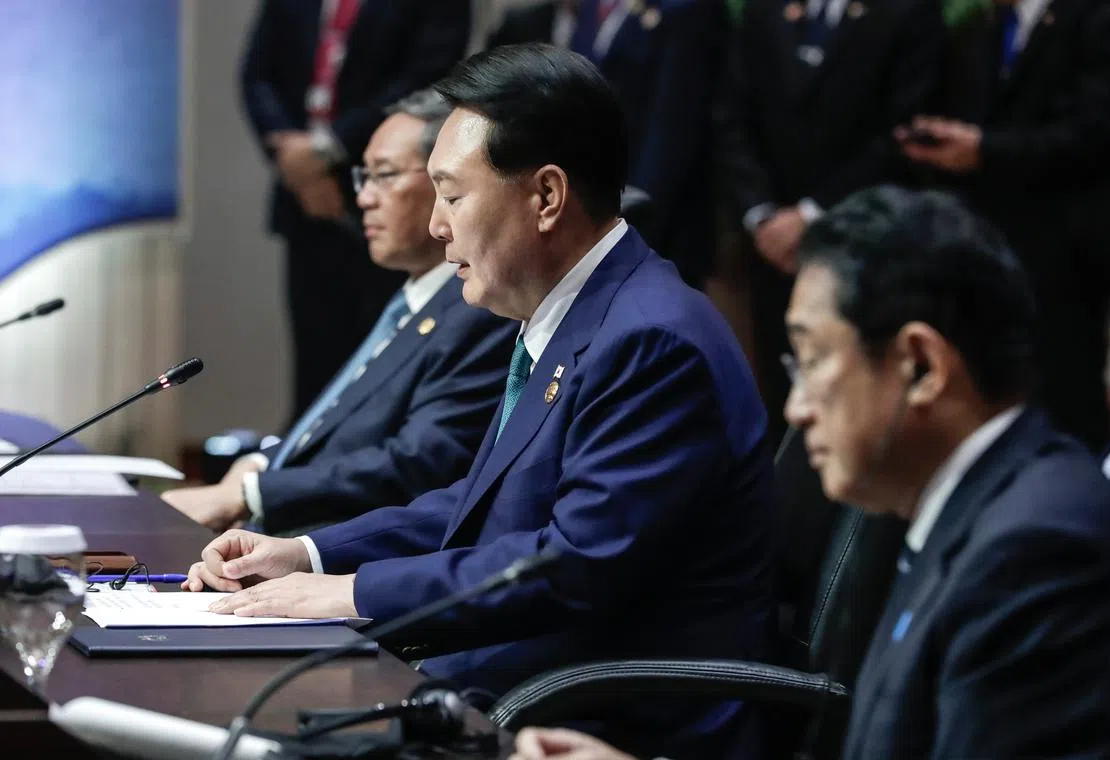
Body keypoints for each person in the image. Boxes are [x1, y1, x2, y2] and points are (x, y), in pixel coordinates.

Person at [183, 43, 777, 760]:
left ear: (547, 197)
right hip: (510, 676)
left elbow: (573, 566)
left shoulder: (650, 339)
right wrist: (308, 555)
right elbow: (482, 506)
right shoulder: (572, 315)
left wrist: (352, 594)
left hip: (597, 720)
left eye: (453, 195)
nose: (438, 226)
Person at [507, 185, 1110, 759]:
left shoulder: (1039, 549)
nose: (797, 408)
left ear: (921, 366)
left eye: (812, 362)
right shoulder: (964, 508)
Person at [163, 91, 516, 537]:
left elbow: (423, 461)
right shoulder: (407, 302)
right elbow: (333, 431)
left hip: (343, 548)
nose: (364, 197)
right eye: (362, 177)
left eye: (384, 175)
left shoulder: (479, 309)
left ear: (443, 182)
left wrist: (253, 493)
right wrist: (258, 465)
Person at [896, 0, 1110, 450]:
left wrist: (985, 150)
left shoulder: (1098, 20)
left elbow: (1095, 135)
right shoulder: (985, 26)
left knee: (1066, 397)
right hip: (990, 245)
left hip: (1066, 253)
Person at [715, 0, 943, 441]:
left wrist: (811, 215)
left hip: (866, 245)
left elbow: (903, 135)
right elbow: (732, 116)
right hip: (771, 247)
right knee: (783, 397)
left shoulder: (908, 11)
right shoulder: (765, 10)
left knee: (861, 399)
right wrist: (761, 215)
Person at [240, 0, 471, 423]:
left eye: (380, 178)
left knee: (388, 365)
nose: (369, 196)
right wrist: (297, 167)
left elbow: (425, 80)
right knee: (315, 367)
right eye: (371, 180)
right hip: (303, 205)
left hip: (384, 188)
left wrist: (329, 151)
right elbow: (257, 75)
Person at [487, 0, 727, 287]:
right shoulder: (588, 9)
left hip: (656, 219)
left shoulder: (684, 9)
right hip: (590, 216)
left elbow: (672, 127)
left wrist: (633, 218)